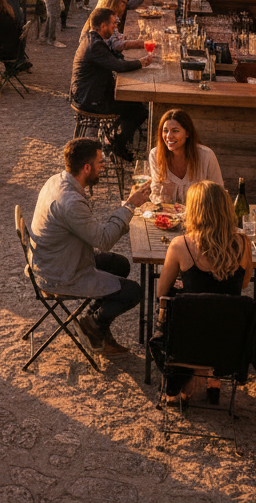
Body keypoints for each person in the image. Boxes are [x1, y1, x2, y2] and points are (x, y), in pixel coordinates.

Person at [29, 138, 152, 354]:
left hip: (55, 259)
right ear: (87, 168)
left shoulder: (57, 180)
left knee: (119, 264)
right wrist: (130, 206)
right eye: (100, 163)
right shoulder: (70, 202)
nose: (103, 168)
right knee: (133, 291)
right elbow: (103, 240)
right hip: (60, 274)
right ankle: (93, 324)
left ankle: (92, 323)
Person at [154, 180, 253, 402]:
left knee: (175, 303)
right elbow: (244, 283)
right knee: (219, 305)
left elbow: (161, 291)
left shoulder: (181, 245)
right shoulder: (244, 242)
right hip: (229, 341)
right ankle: (214, 379)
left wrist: (187, 283)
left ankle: (182, 381)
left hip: (190, 340)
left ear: (194, 210)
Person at [70, 7, 153, 161]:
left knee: (134, 104)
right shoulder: (95, 45)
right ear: (102, 26)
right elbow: (118, 66)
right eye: (112, 24)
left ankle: (116, 139)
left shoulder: (92, 39)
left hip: (86, 94)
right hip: (91, 100)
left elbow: (113, 58)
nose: (115, 27)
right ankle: (117, 143)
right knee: (139, 110)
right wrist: (141, 62)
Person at [148, 109, 224, 204]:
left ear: (187, 133)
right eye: (165, 131)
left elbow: (219, 194)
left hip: (199, 216)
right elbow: (156, 194)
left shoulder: (206, 156)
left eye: (175, 131)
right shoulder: (155, 155)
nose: (169, 136)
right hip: (167, 216)